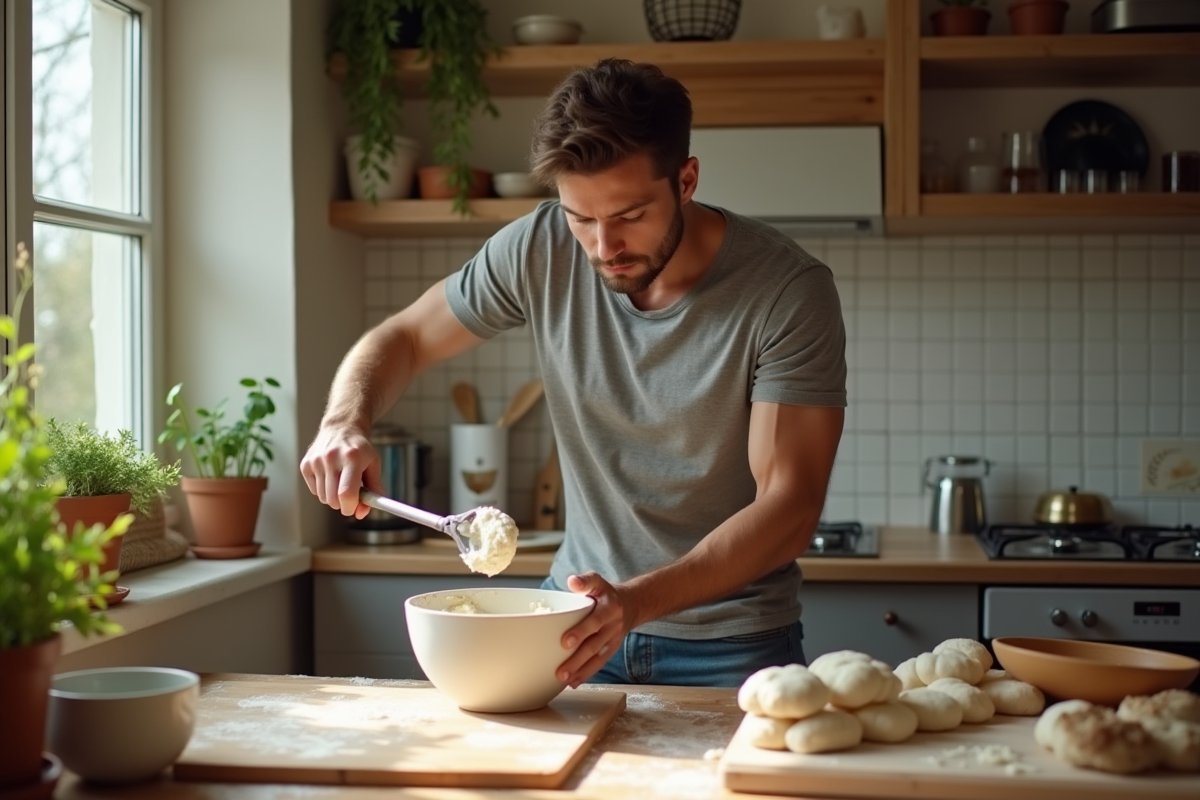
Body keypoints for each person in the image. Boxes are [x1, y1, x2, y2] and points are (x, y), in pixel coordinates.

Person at [301, 58, 846, 689]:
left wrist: (636, 602)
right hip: (568, 624)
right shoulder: (540, 247)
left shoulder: (786, 291)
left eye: (630, 215)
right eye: (579, 217)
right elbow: (405, 337)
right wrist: (344, 421)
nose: (602, 246)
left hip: (729, 644)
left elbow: (789, 506)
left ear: (687, 180)